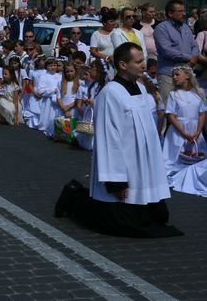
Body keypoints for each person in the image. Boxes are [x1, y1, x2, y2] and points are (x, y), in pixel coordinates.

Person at [55, 42, 182, 238]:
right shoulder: (110, 93)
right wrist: (116, 182)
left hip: (142, 166)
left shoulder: (140, 88)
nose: (143, 65)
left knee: (158, 217)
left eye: (144, 61)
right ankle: (73, 196)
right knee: (121, 223)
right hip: (123, 169)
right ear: (123, 65)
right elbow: (109, 139)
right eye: (138, 61)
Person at [162, 65, 207, 177]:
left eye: (177, 74)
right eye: (173, 75)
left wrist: (198, 132)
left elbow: (202, 114)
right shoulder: (174, 95)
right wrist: (184, 133)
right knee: (176, 157)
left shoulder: (198, 94)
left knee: (195, 156)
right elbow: (171, 116)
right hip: (179, 131)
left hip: (195, 130)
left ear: (187, 75)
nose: (174, 77)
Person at [154, 0, 199, 103]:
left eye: (184, 11)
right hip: (168, 75)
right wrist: (189, 57)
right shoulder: (161, 28)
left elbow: (195, 46)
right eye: (180, 11)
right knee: (167, 109)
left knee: (188, 106)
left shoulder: (185, 27)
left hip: (186, 74)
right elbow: (166, 50)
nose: (184, 14)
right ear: (170, 13)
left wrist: (193, 57)